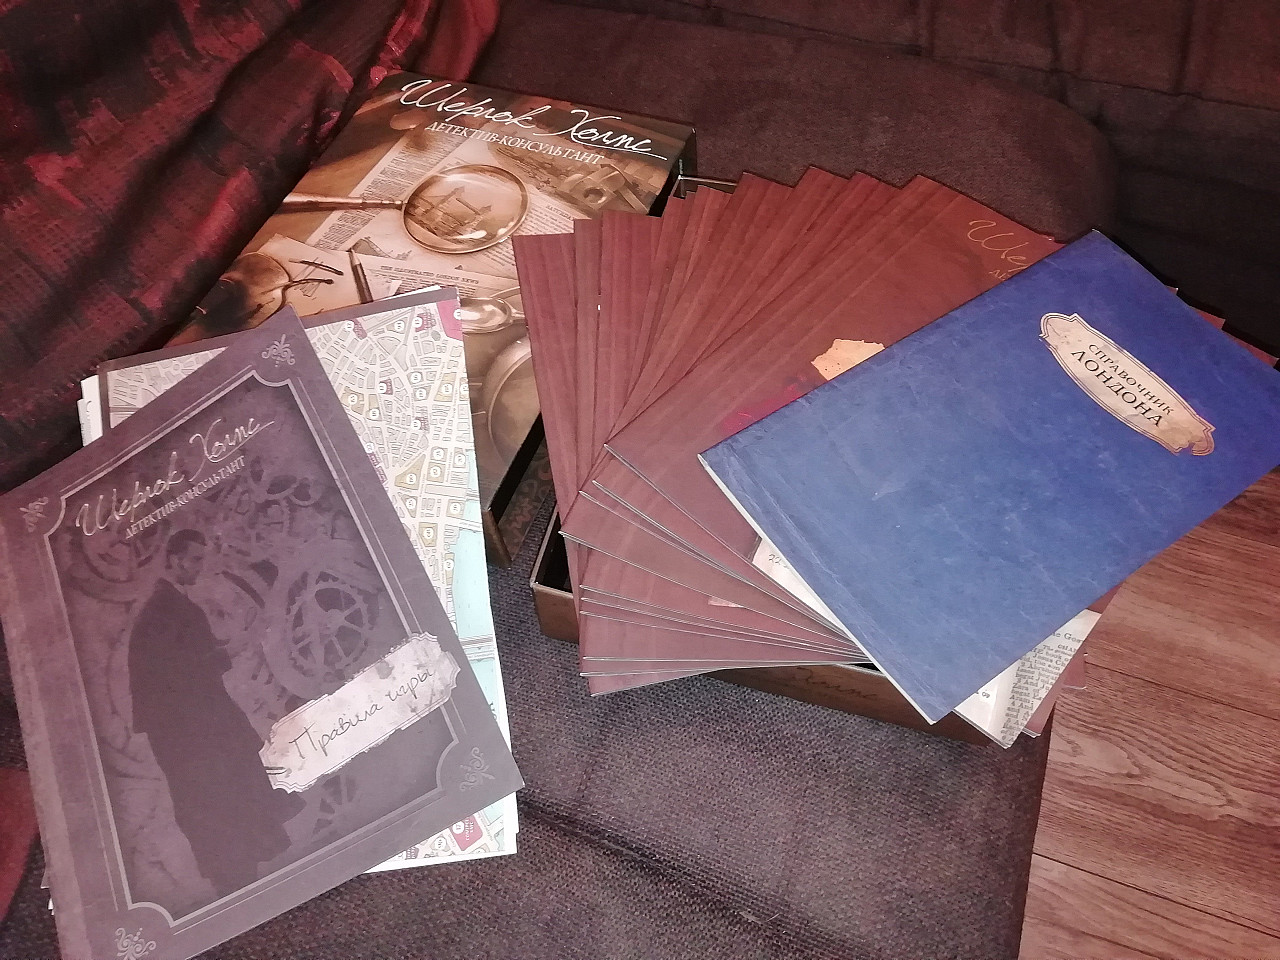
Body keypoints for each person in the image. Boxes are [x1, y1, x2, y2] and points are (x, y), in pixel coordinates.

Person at [128, 529, 296, 898]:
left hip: (192, 728)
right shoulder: (165, 609)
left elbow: (182, 659)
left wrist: (221, 649)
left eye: (202, 559)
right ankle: (235, 880)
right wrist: (231, 650)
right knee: (215, 799)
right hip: (189, 733)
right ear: (174, 560)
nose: (199, 567)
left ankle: (238, 876)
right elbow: (179, 672)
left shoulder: (171, 605)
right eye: (194, 559)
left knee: (220, 797)